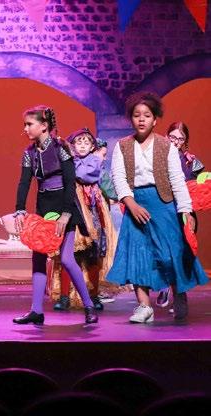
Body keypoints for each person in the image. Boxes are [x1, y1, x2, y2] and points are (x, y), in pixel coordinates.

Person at [107, 92, 208, 323]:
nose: (141, 119)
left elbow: (177, 181)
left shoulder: (166, 147)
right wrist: (131, 204)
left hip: (163, 204)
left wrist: (185, 211)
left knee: (169, 254)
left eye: (147, 115)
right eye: (137, 115)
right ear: (131, 119)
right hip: (135, 204)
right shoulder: (123, 146)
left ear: (155, 120)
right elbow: (118, 179)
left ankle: (179, 292)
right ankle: (144, 306)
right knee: (137, 255)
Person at [12, 105, 98, 325]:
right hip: (43, 208)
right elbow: (24, 183)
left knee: (67, 259)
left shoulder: (61, 148)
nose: (25, 129)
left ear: (44, 126)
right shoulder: (29, 153)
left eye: (29, 124)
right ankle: (36, 310)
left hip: (64, 205)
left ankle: (89, 306)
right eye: (25, 124)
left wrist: (66, 214)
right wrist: (20, 209)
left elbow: (70, 183)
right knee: (39, 257)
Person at [51, 128, 118, 311]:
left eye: (86, 142)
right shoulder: (67, 160)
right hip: (72, 210)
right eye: (78, 142)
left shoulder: (94, 161)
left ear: (92, 146)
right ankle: (64, 296)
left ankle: (93, 295)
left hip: (92, 212)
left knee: (93, 255)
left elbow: (84, 175)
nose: (82, 146)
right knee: (68, 255)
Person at [156, 121, 204, 309]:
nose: (176, 141)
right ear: (166, 136)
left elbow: (194, 188)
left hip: (183, 213)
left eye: (181, 139)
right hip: (163, 213)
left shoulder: (190, 162)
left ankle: (180, 297)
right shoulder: (156, 158)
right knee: (163, 253)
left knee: (181, 256)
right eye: (172, 137)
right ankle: (165, 286)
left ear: (185, 141)